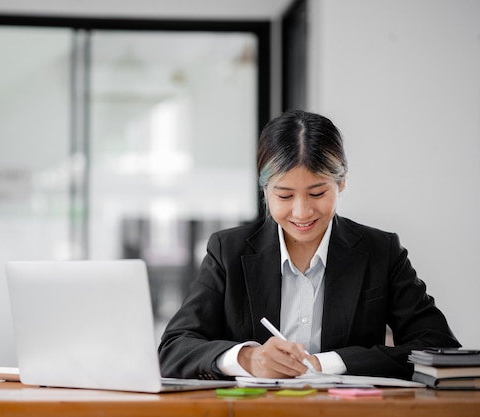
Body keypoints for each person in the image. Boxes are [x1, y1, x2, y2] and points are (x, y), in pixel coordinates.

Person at [158, 110, 460, 381]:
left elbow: (438, 347)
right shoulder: (228, 251)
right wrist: (248, 358)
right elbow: (173, 348)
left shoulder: (381, 251)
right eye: (285, 196)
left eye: (316, 194)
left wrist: (327, 363)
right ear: (265, 189)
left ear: (341, 182)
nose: (302, 212)